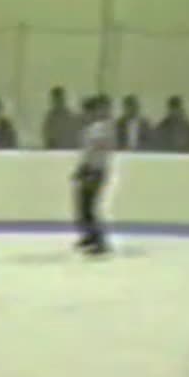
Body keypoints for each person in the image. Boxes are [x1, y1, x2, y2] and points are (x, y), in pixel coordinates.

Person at [72, 94, 114, 256]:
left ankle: (98, 240)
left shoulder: (98, 129)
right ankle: (89, 236)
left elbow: (93, 153)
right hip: (92, 169)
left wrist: (85, 170)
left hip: (94, 170)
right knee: (84, 206)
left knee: (88, 206)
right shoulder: (95, 128)